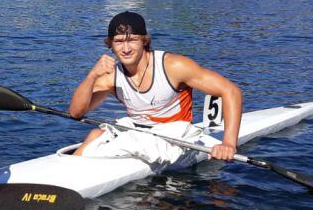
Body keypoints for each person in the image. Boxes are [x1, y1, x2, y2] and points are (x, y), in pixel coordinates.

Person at [69, 11, 242, 160]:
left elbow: (230, 91)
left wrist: (228, 143)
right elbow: (76, 112)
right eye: (119, 41)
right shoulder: (111, 76)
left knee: (115, 140)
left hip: (175, 134)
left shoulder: (174, 66)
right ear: (110, 44)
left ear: (144, 41)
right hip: (135, 130)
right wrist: (92, 76)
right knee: (95, 134)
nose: (126, 48)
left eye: (132, 40)